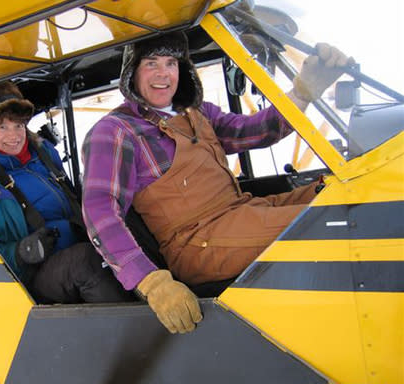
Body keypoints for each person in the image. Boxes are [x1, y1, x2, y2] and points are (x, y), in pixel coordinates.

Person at [81, 32, 352, 333]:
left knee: (339, 197)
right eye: (151, 63)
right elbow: (100, 211)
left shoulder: (196, 113)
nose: (162, 74)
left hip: (240, 212)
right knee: (331, 223)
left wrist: (302, 93)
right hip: (197, 243)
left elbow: (255, 131)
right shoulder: (115, 131)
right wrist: (152, 282)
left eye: (171, 63)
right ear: (132, 72)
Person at [0, 81, 131, 304]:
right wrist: (20, 253)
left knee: (127, 230)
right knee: (85, 261)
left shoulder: (44, 153)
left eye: (18, 126)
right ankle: (135, 331)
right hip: (31, 276)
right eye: (2, 127)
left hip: (79, 240)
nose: (14, 135)